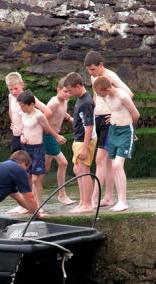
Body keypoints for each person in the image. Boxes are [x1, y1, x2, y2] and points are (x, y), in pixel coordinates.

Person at [84, 50, 134, 208]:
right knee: (106, 161)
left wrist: (114, 113)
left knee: (101, 159)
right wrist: (93, 117)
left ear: (101, 65)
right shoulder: (93, 77)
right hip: (98, 119)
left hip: (109, 121)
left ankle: (94, 198)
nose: (91, 73)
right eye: (88, 70)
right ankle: (108, 197)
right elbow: (95, 97)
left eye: (93, 69)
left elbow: (128, 94)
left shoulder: (110, 76)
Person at [93, 76, 140, 212]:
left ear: (107, 89)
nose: (99, 96)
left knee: (118, 166)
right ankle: (118, 200)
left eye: (100, 93)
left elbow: (136, 114)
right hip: (112, 131)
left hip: (125, 131)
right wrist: (112, 116)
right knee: (113, 166)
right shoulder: (104, 96)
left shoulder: (123, 96)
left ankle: (123, 201)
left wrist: (132, 133)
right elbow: (114, 110)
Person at [17, 90, 66, 211]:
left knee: (36, 179)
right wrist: (22, 137)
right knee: (26, 176)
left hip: (37, 149)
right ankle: (29, 204)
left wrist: (57, 137)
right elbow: (22, 129)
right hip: (26, 149)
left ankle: (38, 205)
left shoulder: (39, 115)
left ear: (32, 104)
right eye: (20, 106)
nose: (21, 108)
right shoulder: (22, 114)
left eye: (23, 106)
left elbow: (48, 129)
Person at [63, 72, 97, 213]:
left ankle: (88, 203)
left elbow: (89, 126)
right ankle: (83, 201)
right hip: (78, 139)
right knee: (78, 169)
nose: (69, 94)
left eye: (70, 90)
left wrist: (84, 147)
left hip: (85, 140)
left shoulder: (87, 102)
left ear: (78, 86)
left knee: (84, 170)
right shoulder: (80, 99)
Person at [44, 78, 75, 206]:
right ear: (58, 89)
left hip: (53, 135)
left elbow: (62, 113)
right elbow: (43, 121)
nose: (68, 94)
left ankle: (32, 192)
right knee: (63, 163)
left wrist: (70, 118)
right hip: (48, 135)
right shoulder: (54, 103)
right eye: (65, 91)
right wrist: (56, 136)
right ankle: (62, 195)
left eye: (70, 92)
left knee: (44, 168)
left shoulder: (65, 100)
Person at [5, 71, 52, 154]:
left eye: (16, 88)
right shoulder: (11, 97)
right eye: (10, 89)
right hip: (16, 136)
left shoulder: (29, 98)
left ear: (22, 84)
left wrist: (32, 125)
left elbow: (47, 112)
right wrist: (13, 122)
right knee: (14, 163)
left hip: (27, 138)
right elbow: (11, 111)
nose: (13, 92)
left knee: (27, 164)